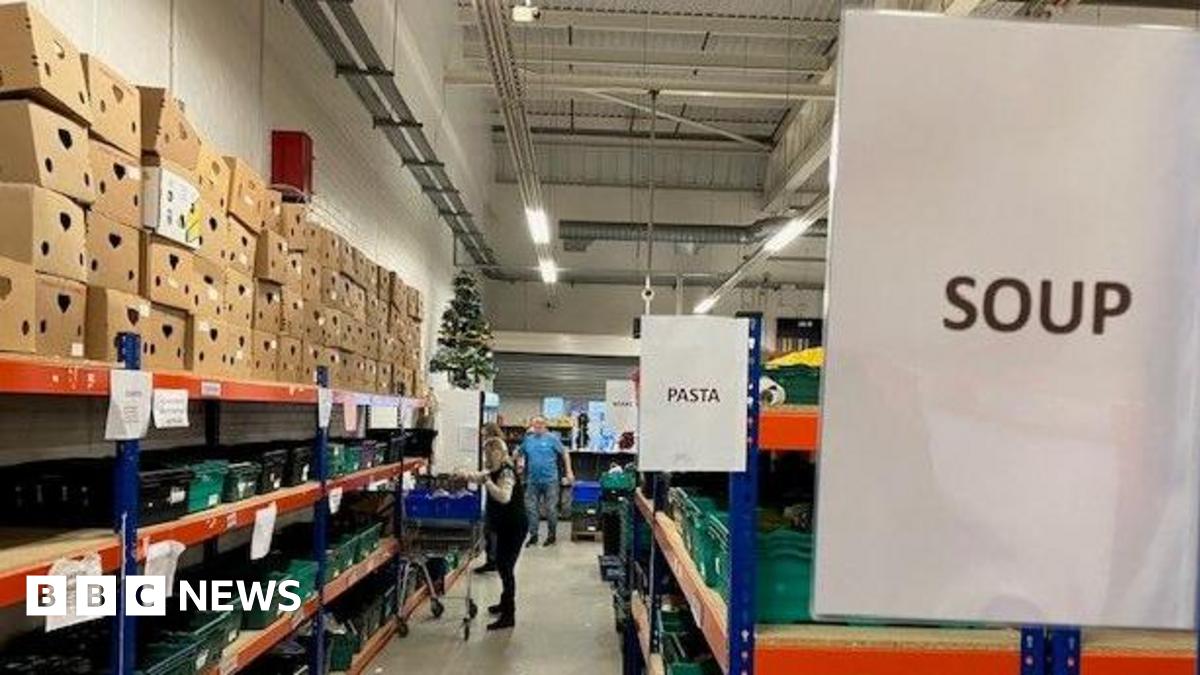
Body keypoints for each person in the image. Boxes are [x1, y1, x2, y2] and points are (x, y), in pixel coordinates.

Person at [461, 437, 526, 630]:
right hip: (506, 525)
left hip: (514, 526)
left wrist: (488, 483)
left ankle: (509, 615)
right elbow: (478, 475)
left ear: (495, 453)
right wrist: (462, 474)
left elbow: (504, 497)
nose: (485, 459)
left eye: (487, 454)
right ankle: (504, 603)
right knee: (501, 564)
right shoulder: (494, 470)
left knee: (506, 568)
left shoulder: (506, 472)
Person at [515, 415, 574, 546]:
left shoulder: (552, 439)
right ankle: (533, 535)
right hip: (532, 480)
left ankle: (551, 535)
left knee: (551, 509)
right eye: (535, 424)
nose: (538, 427)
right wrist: (520, 464)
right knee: (531, 508)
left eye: (540, 424)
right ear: (532, 426)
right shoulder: (528, 440)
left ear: (545, 425)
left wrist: (569, 471)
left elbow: (565, 453)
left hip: (550, 480)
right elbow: (520, 453)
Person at [474, 422, 507, 575]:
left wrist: (482, 475)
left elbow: (494, 467)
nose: (482, 437)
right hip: (498, 486)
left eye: (484, 434)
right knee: (494, 527)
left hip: (496, 487)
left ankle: (492, 560)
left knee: (491, 527)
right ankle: (495, 559)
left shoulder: (494, 445)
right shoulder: (500, 443)